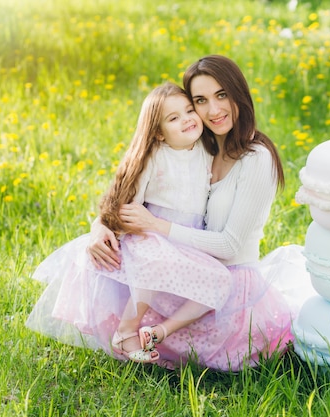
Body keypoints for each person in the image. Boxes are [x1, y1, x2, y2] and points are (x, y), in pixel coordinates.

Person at [87, 55, 311, 371]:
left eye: (222, 95)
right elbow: (134, 183)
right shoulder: (198, 145)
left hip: (227, 282)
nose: (213, 110)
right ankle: (137, 334)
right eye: (200, 101)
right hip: (183, 270)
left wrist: (157, 225)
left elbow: (230, 247)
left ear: (239, 95)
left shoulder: (256, 158)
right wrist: (101, 226)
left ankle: (155, 333)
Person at [26, 82, 234, 363]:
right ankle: (125, 332)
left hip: (187, 238)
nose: (187, 119)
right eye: (174, 118)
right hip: (152, 233)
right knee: (155, 259)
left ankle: (160, 332)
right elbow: (126, 202)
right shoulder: (154, 157)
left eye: (188, 110)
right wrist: (105, 226)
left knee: (221, 281)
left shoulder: (207, 149)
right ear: (158, 133)